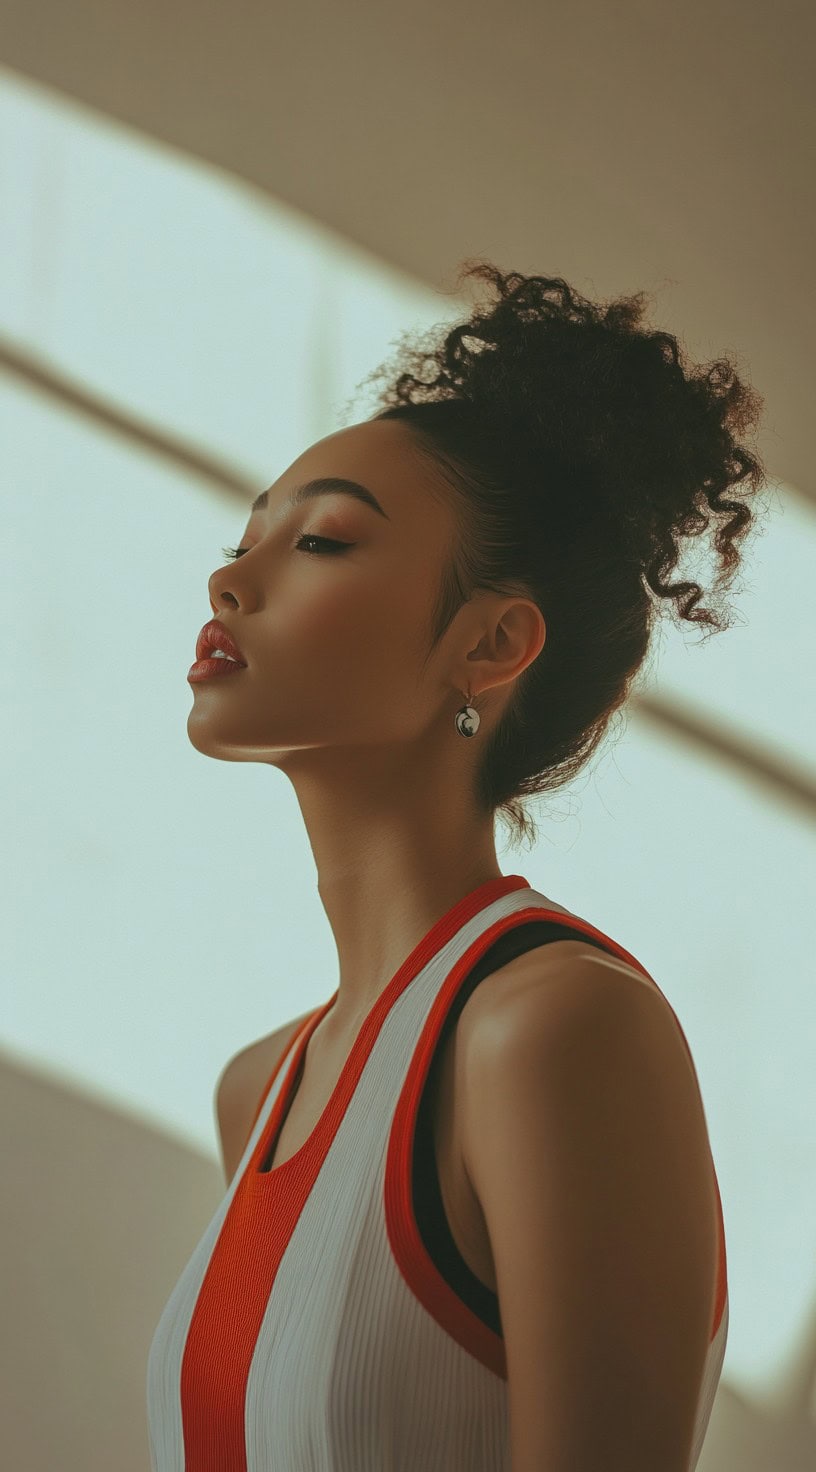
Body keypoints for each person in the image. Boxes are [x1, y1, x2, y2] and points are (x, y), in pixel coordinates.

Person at [147, 260, 769, 1471]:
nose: (231, 578)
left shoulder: (556, 1029)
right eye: (246, 537)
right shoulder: (258, 1086)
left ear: (492, 644)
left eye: (322, 539)